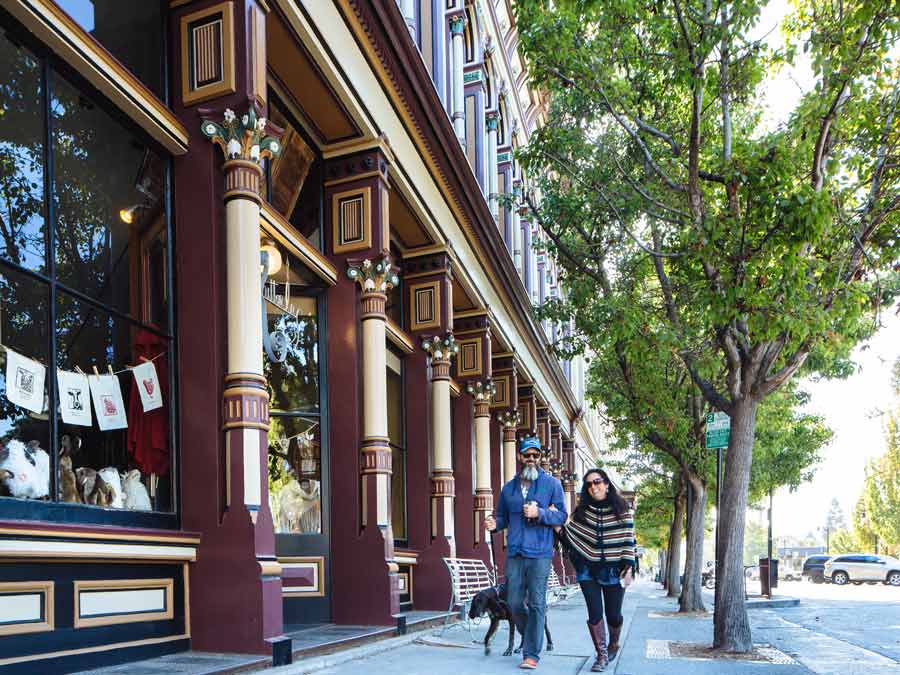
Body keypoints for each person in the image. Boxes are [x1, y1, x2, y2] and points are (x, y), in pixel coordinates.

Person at [484, 437, 567, 670]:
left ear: (540, 458)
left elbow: (561, 515)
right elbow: (502, 516)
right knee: (513, 602)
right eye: (527, 455)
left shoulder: (552, 484)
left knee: (538, 603)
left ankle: (531, 653)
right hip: (515, 553)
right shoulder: (508, 488)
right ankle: (530, 633)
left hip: (540, 553)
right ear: (519, 457)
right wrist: (494, 523)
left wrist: (539, 512)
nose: (531, 459)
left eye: (535, 455)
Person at [556, 469, 636, 672]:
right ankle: (601, 656)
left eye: (597, 481)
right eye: (589, 484)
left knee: (614, 615)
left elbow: (628, 540)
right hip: (587, 570)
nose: (594, 486)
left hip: (614, 570)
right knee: (594, 613)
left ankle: (614, 643)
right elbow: (572, 535)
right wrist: (555, 525)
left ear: (607, 483)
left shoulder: (622, 510)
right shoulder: (582, 512)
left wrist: (628, 567)